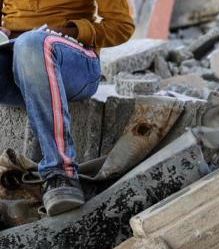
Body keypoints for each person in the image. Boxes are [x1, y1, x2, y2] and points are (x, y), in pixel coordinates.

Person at [0, 0, 134, 215]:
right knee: (25, 43)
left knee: (31, 43)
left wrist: (68, 30)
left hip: (73, 61)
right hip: (14, 59)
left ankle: (61, 174)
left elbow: (121, 27)